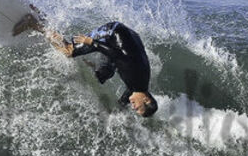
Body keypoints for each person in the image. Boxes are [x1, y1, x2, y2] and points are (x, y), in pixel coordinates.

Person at [13, 14, 158, 117]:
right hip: (113, 33)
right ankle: (33, 23)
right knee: (69, 51)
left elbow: (124, 99)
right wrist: (91, 42)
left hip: (127, 39)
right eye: (137, 108)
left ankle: (44, 19)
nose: (133, 107)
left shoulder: (138, 87)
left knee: (103, 75)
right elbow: (116, 55)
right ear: (146, 99)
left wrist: (115, 113)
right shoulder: (135, 78)